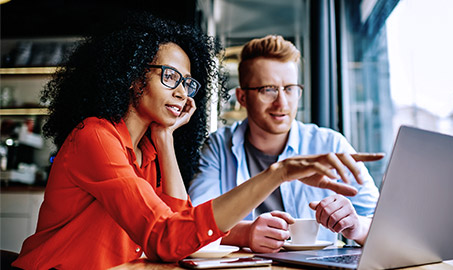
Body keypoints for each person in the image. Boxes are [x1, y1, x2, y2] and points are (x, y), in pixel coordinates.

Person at [11, 14, 382, 270]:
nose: (181, 93)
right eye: (170, 76)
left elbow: (178, 223)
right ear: (131, 77)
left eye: (187, 83)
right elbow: (167, 236)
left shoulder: (149, 149)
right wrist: (278, 174)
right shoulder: (96, 137)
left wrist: (165, 136)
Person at [188, 35, 381, 253]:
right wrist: (245, 233)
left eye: (290, 88)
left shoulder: (330, 144)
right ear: (242, 98)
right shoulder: (218, 146)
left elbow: (383, 224)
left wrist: (356, 226)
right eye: (268, 89)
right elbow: (193, 224)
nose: (282, 102)